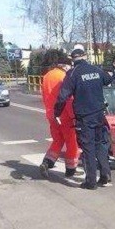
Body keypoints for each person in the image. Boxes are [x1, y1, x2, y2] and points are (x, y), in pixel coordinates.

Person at [54, 44, 113, 190]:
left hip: (85, 117)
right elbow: (108, 80)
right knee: (100, 145)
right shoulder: (96, 70)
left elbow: (62, 96)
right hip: (99, 113)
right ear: (85, 57)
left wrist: (57, 113)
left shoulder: (73, 74)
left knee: (87, 148)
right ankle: (105, 176)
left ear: (73, 60)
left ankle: (90, 181)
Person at [39, 51, 80, 179]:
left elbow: (46, 96)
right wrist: (73, 115)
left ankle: (47, 162)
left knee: (58, 140)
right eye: (69, 65)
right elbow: (67, 98)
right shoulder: (64, 76)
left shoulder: (47, 76)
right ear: (64, 65)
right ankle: (71, 169)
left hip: (51, 114)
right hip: (64, 115)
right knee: (72, 142)